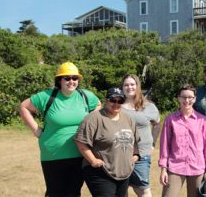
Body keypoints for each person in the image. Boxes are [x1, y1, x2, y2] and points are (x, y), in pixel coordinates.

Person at [19, 61, 101, 197]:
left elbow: (98, 105)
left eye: (74, 78)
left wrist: (90, 123)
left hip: (80, 154)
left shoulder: (85, 96)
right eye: (67, 78)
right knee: (55, 193)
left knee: (74, 193)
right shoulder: (47, 96)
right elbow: (24, 107)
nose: (71, 81)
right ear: (59, 80)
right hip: (53, 155)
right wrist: (36, 130)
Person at [74, 87, 140, 197]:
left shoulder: (128, 119)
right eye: (113, 100)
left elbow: (135, 140)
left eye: (120, 101)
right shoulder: (93, 118)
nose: (116, 104)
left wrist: (136, 154)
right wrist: (93, 160)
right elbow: (81, 142)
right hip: (100, 172)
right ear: (106, 100)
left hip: (123, 172)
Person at [159, 84, 206, 197]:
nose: (187, 100)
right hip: (175, 167)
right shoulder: (170, 119)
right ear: (178, 98)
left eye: (190, 97)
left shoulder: (202, 120)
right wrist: (163, 169)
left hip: (197, 168)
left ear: (194, 99)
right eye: (184, 97)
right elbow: (165, 146)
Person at [121, 74, 160, 197]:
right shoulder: (116, 106)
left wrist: (153, 143)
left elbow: (157, 124)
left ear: (137, 86)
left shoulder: (148, 106)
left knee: (143, 190)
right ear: (122, 87)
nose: (129, 87)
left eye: (132, 84)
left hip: (142, 156)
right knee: (121, 189)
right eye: (126, 85)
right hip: (120, 154)